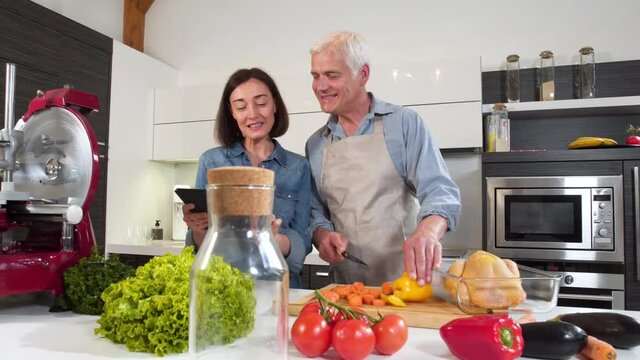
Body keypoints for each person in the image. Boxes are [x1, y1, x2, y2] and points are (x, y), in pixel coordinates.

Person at [306, 31, 461, 287]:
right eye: (315, 76)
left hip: (407, 285)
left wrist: (428, 231)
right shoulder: (316, 144)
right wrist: (322, 234)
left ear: (363, 74)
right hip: (348, 291)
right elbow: (316, 210)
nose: (321, 86)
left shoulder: (403, 124)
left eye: (332, 75)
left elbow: (440, 190)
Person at [182, 68, 312, 288]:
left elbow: (302, 243)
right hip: (223, 288)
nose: (252, 114)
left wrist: (270, 238)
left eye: (261, 103)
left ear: (275, 105)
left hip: (278, 287)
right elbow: (201, 246)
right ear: (232, 113)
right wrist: (196, 228)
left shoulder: (298, 167)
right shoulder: (211, 162)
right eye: (241, 107)